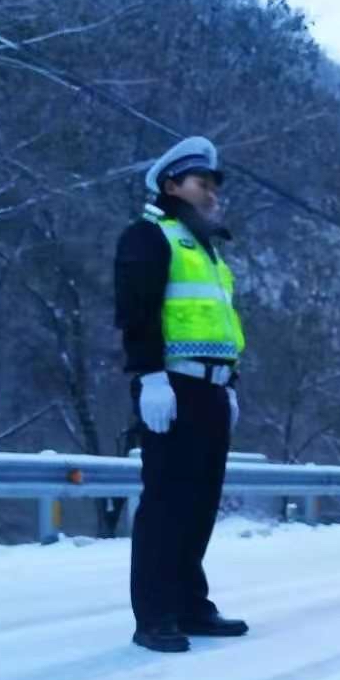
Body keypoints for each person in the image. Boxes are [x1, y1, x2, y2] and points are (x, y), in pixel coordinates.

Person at [114, 135, 249, 652]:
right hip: (171, 388)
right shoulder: (149, 236)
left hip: (211, 390)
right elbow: (137, 311)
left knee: (199, 504)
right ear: (172, 185)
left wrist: (229, 385)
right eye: (201, 183)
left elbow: (220, 326)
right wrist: (150, 376)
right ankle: (153, 616)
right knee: (166, 503)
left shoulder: (207, 249)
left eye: (215, 185)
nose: (212, 192)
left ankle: (191, 604)